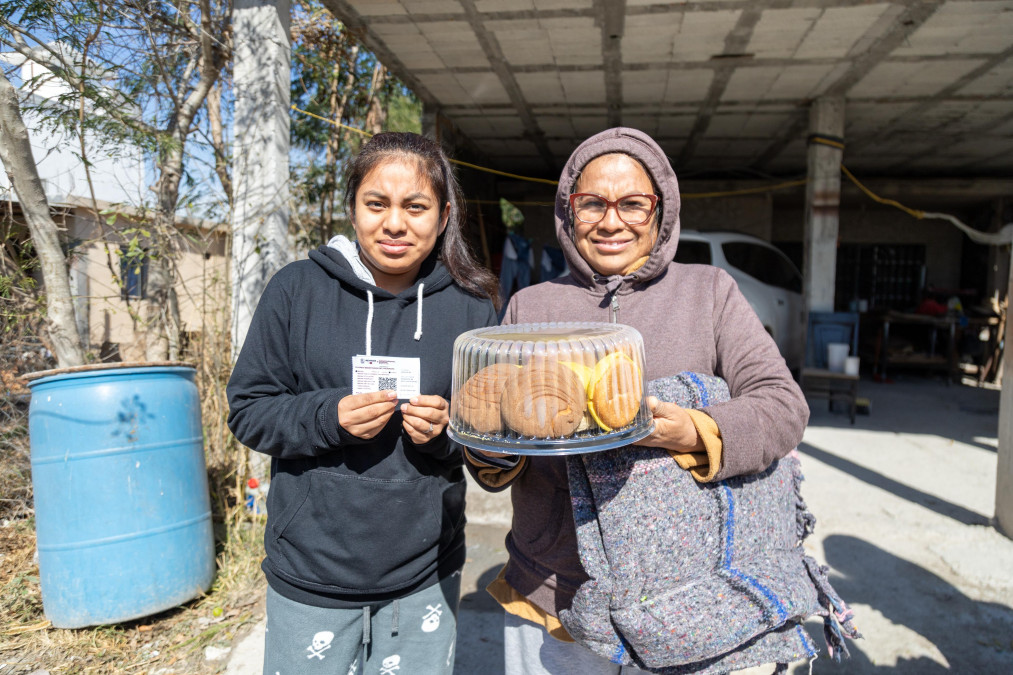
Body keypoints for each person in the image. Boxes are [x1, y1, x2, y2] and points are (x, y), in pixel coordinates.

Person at [465, 127, 812, 674]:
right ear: (567, 210)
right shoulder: (530, 306)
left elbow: (782, 404)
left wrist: (697, 430)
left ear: (661, 211)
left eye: (632, 203)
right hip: (554, 587)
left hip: (689, 597)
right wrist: (489, 444)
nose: (611, 221)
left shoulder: (709, 292)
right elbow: (497, 445)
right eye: (592, 203)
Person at [227, 132, 498, 674]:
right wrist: (328, 417)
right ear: (352, 208)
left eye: (415, 206)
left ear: (443, 217)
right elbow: (249, 409)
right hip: (312, 570)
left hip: (425, 570)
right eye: (377, 204)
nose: (394, 223)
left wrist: (449, 432)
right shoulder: (296, 290)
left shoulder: (473, 310)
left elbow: (490, 437)